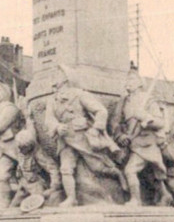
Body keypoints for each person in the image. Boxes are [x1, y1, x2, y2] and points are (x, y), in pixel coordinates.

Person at [44, 67, 127, 206]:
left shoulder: (79, 95)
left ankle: (118, 174)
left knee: (98, 167)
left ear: (66, 78)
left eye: (57, 74)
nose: (53, 77)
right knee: (65, 168)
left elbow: (101, 111)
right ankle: (71, 199)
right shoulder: (52, 100)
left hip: (82, 137)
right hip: (65, 139)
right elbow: (48, 120)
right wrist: (58, 127)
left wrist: (96, 128)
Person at [112, 69, 169, 206]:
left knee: (130, 170)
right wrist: (120, 135)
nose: (128, 82)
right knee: (150, 175)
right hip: (131, 144)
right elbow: (116, 123)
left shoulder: (147, 100)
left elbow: (160, 123)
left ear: (139, 83)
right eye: (127, 80)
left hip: (146, 143)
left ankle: (135, 200)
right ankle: (165, 195)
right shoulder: (124, 102)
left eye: (131, 79)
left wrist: (144, 117)